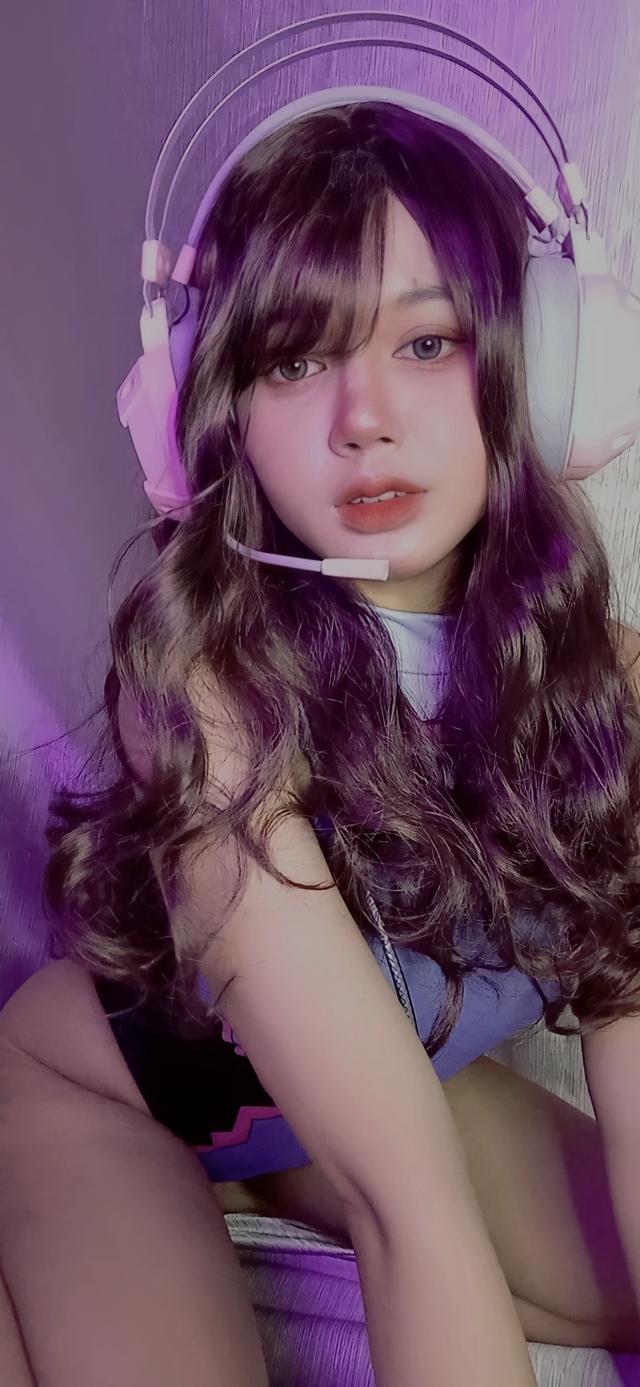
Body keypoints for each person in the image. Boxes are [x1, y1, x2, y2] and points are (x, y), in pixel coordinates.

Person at [1, 99, 640, 1387]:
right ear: (214, 408)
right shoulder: (204, 688)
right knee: (405, 1194)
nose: (364, 416)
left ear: (547, 365)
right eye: (294, 361)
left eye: (429, 340)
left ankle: (283, 1179)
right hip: (118, 1093)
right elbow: (412, 1200)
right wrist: (375, 1187)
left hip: (369, 1091)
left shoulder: (612, 688)